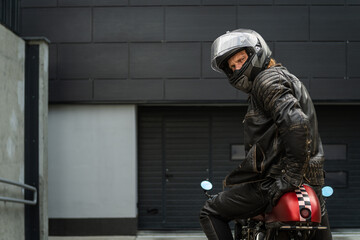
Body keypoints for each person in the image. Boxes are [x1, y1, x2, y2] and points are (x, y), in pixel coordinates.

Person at [199, 29, 332, 240]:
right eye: (232, 66)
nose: (237, 69)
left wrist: (290, 177)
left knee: (211, 211)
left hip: (277, 180)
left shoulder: (265, 80)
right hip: (312, 183)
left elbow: (296, 124)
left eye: (241, 60)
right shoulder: (288, 78)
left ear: (257, 53)